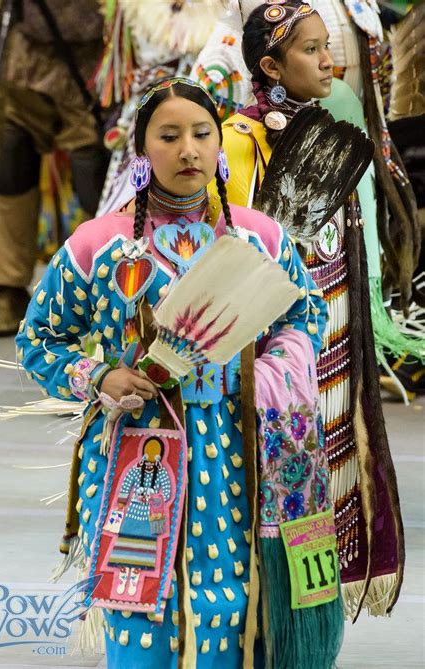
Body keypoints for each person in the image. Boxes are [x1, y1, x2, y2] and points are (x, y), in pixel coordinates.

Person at [16, 78, 343, 668]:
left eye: (201, 134)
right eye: (169, 137)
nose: (188, 150)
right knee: (141, 602)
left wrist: (273, 372)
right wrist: (98, 377)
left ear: (220, 144)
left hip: (240, 446)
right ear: (143, 152)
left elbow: (306, 311)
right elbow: (38, 339)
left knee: (235, 598)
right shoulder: (101, 245)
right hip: (137, 454)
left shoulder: (259, 237)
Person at [211, 1, 404, 619]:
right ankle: (264, 608)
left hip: (334, 329)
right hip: (278, 344)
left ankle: (309, 612)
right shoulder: (241, 140)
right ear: (270, 65)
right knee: (279, 464)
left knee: (326, 455)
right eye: (311, 49)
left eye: (328, 45)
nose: (329, 59)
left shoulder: (325, 124)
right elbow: (236, 255)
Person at [0, 0, 108, 337]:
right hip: (24, 51)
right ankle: (7, 286)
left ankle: (111, 283)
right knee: (10, 164)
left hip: (95, 57)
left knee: (94, 175)